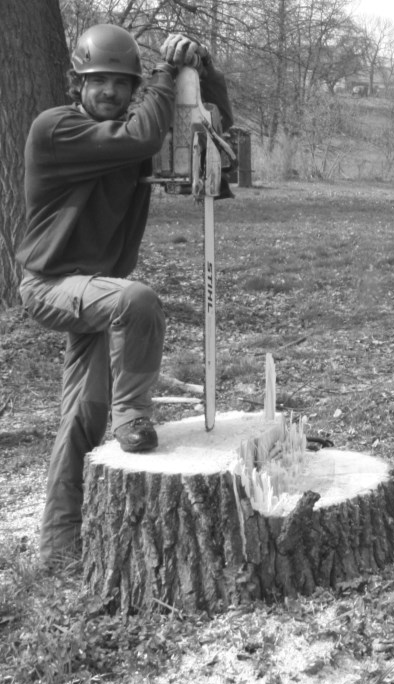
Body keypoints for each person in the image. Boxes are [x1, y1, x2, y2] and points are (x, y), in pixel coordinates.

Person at [15, 24, 234, 567]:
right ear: (77, 84)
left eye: (120, 83)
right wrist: (160, 78)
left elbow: (215, 136)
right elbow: (139, 138)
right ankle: (133, 415)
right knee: (137, 300)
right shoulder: (56, 129)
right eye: (98, 82)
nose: (109, 92)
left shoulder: (135, 131)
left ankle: (59, 546)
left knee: (81, 415)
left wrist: (203, 71)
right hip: (51, 285)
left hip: (96, 295)